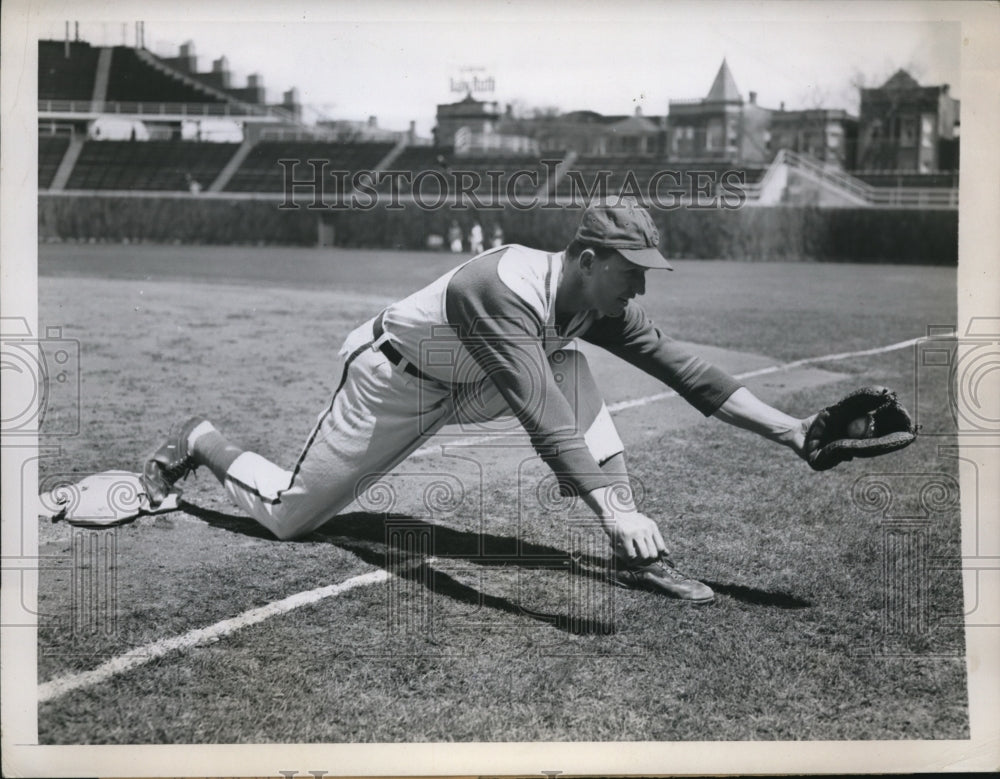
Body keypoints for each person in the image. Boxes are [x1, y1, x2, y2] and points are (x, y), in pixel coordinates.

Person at [143, 199, 814, 603]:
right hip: (393, 383)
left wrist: (795, 430)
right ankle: (201, 438)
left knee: (572, 366)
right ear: (587, 259)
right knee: (291, 517)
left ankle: (638, 557)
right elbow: (541, 413)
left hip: (470, 386)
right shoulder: (501, 286)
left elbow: (687, 371)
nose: (639, 286)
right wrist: (608, 506)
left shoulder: (596, 300)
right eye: (630, 271)